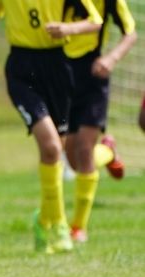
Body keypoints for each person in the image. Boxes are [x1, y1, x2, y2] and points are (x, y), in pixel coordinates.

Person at [0, 0, 102, 254]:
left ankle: (43, 219)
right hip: (22, 70)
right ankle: (59, 226)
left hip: (58, 68)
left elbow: (95, 22)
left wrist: (68, 30)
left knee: (56, 152)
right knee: (51, 147)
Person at [64, 0, 137, 243]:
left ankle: (78, 228)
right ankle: (107, 150)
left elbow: (130, 33)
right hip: (62, 75)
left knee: (84, 150)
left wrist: (111, 59)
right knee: (74, 161)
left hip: (94, 76)